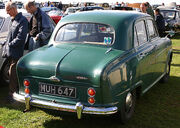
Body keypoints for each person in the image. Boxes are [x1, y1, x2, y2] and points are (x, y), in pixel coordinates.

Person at [1, 2, 28, 102]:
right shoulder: (13, 20)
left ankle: (12, 95)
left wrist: (10, 44)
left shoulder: (22, 20)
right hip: (10, 51)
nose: (7, 13)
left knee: (12, 73)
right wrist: (7, 44)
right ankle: (14, 91)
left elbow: (21, 38)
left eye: (8, 10)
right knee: (10, 72)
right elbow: (10, 35)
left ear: (13, 9)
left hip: (16, 52)